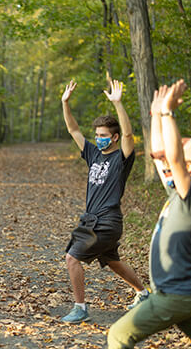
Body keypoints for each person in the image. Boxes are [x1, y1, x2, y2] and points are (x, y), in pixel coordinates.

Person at [93, 80, 191, 349]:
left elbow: (170, 155)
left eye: (173, 165)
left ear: (188, 168)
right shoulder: (178, 191)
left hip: (176, 296)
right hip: (189, 293)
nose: (163, 167)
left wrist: (169, 112)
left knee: (119, 333)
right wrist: (156, 114)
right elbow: (162, 154)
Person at [60, 79, 149, 323]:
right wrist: (65, 103)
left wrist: (118, 104)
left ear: (115, 137)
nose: (99, 139)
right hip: (92, 219)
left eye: (103, 135)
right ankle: (143, 294)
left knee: (72, 257)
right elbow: (73, 130)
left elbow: (130, 134)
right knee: (112, 261)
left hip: (106, 220)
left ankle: (80, 308)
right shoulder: (92, 154)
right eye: (97, 135)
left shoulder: (122, 159)